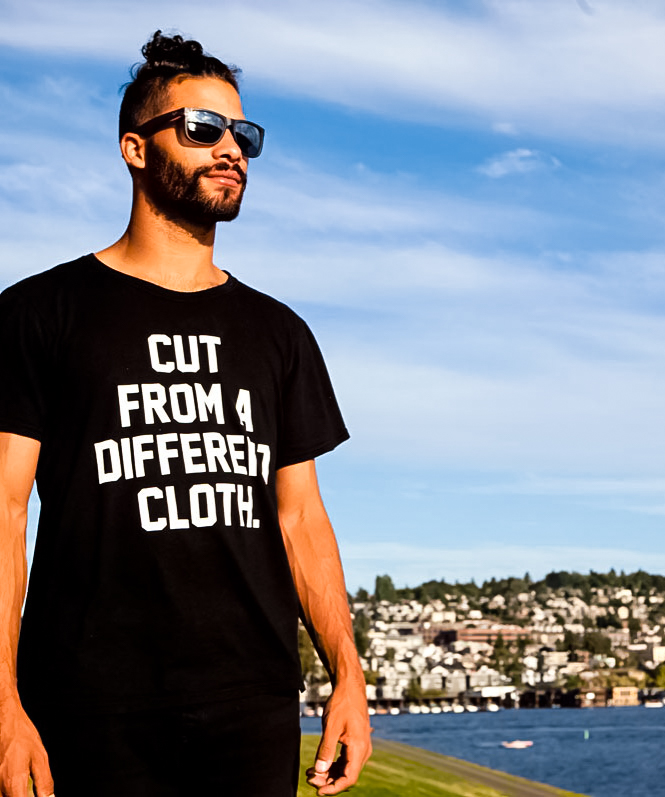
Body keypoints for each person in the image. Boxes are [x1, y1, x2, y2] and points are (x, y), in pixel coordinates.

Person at [0, 31, 370, 797]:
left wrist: (348, 676)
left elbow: (301, 519)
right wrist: (3, 703)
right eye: (201, 128)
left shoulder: (279, 333)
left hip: (253, 709)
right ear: (135, 148)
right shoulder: (38, 314)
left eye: (243, 134)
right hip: (86, 707)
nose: (230, 148)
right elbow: (3, 513)